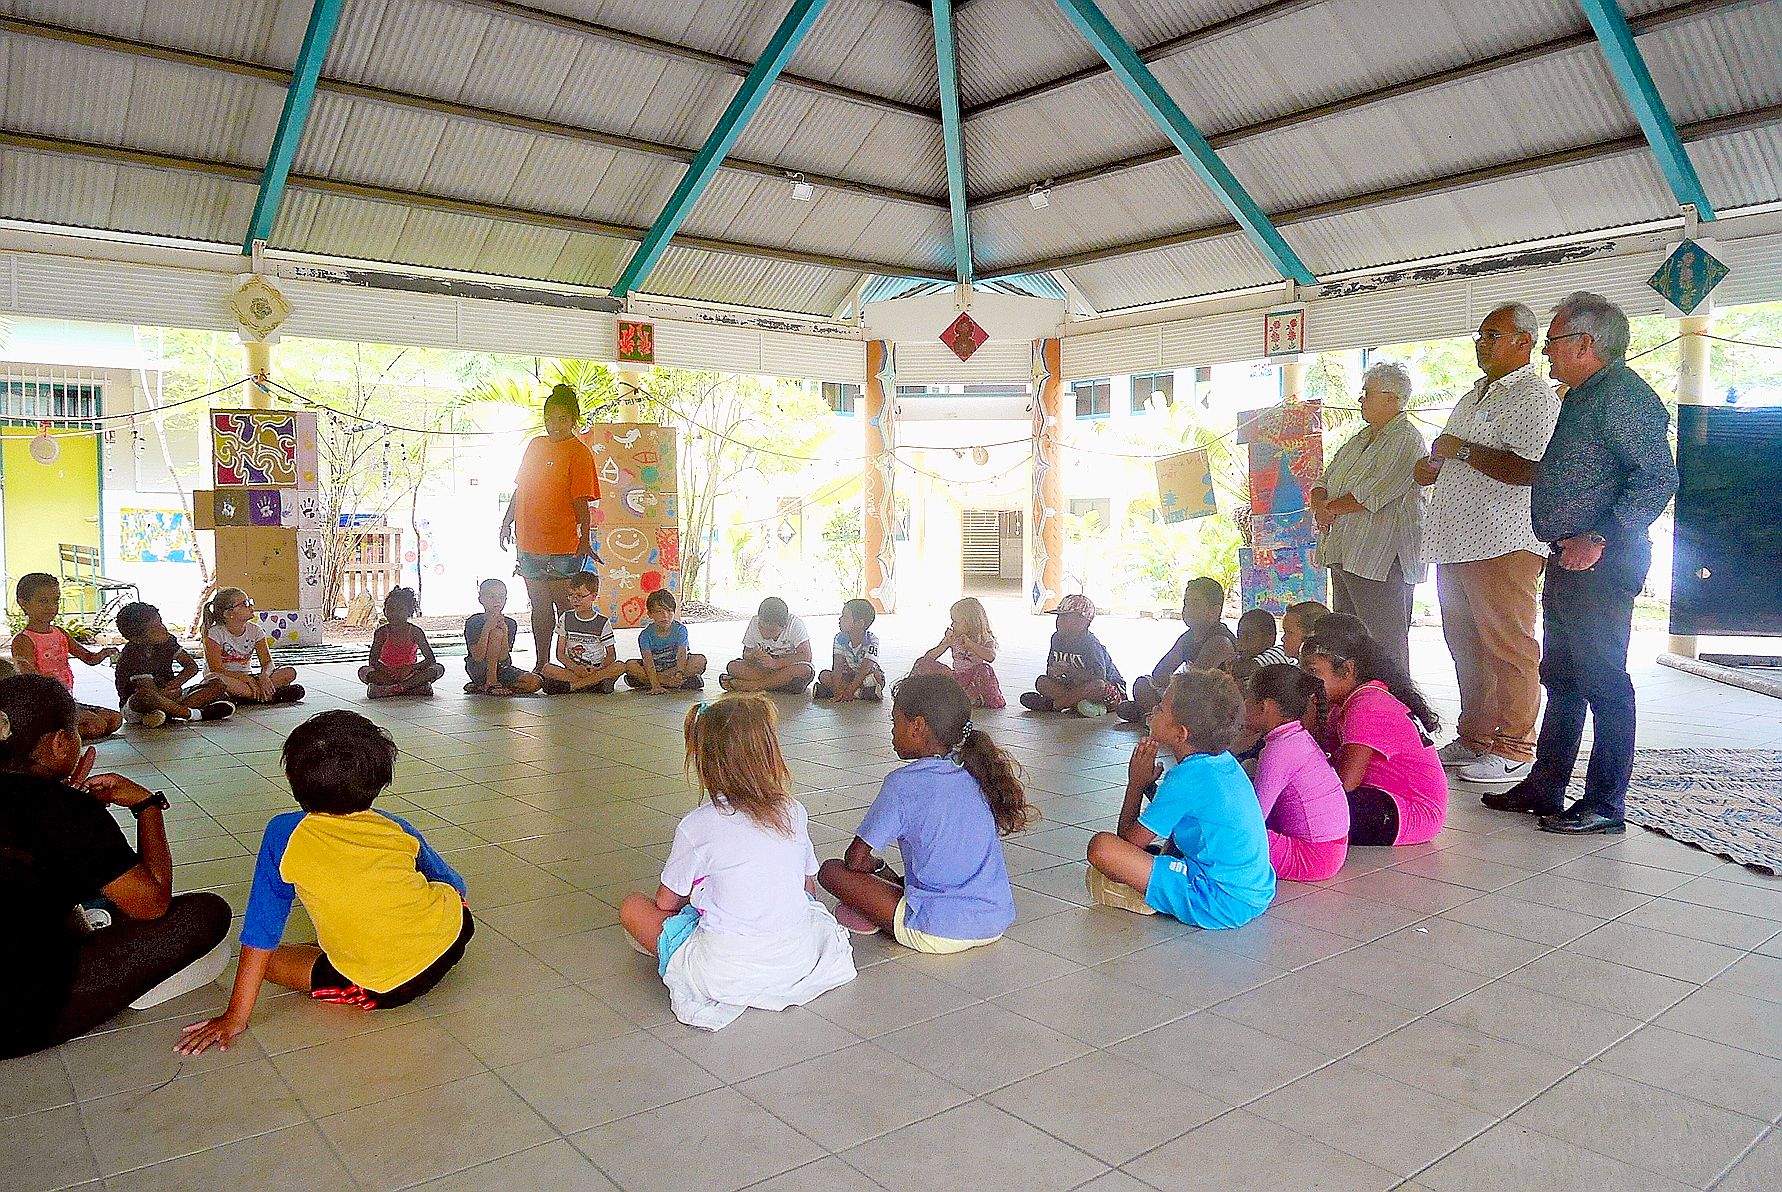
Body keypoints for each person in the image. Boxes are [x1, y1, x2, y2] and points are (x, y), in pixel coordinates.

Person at [177, 711, 473, 1054]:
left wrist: (235, 1017)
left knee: (269, 963)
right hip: (455, 934)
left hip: (386, 986)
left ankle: (351, 956)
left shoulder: (282, 834)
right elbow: (454, 886)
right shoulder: (394, 825)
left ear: (290, 777)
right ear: (380, 780)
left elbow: (262, 933)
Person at [1493, 292, 1679, 835]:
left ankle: (1605, 804)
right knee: (1563, 677)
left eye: (1552, 342)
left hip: (1600, 558)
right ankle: (1547, 785)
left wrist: (1599, 536)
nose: (1546, 353)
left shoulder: (1622, 395)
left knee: (1604, 682)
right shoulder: (1583, 394)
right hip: (1568, 556)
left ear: (1585, 344)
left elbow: (1657, 478)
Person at [0, 674, 231, 1058]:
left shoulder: (62, 808)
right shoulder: (66, 812)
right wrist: (146, 806)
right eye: (76, 730)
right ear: (60, 742)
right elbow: (152, 902)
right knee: (207, 914)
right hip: (20, 1016)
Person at [618, 696, 856, 1030]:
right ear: (771, 755)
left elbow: (665, 902)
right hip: (796, 958)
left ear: (705, 763)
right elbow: (807, 888)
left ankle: (676, 949)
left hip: (724, 970)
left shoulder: (698, 825)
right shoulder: (793, 810)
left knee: (633, 907)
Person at [1416, 303, 1563, 786]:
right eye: (1479, 335)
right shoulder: (1474, 395)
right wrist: (1437, 466)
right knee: (1465, 645)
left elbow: (1530, 468)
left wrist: (1459, 451)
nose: (1481, 343)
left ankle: (1517, 745)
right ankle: (1476, 735)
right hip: (1456, 542)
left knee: (1509, 646)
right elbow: (1454, 456)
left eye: (1492, 334)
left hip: (1503, 540)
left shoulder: (1535, 396)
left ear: (1524, 341)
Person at [818, 673, 1033, 951]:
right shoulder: (976, 770)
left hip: (938, 930)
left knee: (831, 872)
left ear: (917, 726)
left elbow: (856, 859)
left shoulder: (902, 784)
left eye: (895, 722)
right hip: (995, 921)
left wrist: (878, 869)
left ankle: (886, 915)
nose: (892, 732)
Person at [1084, 669, 1274, 928]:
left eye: (1161, 708)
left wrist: (1136, 785)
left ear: (1181, 734)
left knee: (1102, 848)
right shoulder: (1221, 761)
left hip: (1219, 900)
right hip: (1252, 892)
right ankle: (1160, 886)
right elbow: (1182, 818)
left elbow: (1129, 841)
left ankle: (1151, 897)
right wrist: (1151, 788)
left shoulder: (1188, 778)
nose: (1153, 709)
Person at [1311, 362, 1429, 676]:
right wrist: (1321, 503)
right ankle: (1355, 707)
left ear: (1392, 399)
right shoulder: (1360, 438)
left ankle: (1397, 713)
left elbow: (1372, 495)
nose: (1361, 400)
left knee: (1384, 644)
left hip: (1379, 557)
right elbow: (1324, 480)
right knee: (1346, 640)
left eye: (1368, 394)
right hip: (1344, 551)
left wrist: (1331, 508)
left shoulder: (1406, 439)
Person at [1299, 614, 1448, 847]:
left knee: (1303, 807)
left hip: (1409, 812)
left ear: (1347, 670)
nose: (1305, 683)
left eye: (1313, 673)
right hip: (1384, 799)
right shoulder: (1345, 702)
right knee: (1300, 800)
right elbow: (1317, 754)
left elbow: (1345, 783)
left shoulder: (1367, 704)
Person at [497, 383, 599, 669]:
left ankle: (571, 664)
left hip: (562, 542)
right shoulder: (535, 445)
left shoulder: (579, 452)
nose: (555, 425)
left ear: (573, 420)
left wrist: (585, 538)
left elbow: (582, 501)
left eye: (562, 419)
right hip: (529, 540)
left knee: (565, 606)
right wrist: (507, 521)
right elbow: (521, 488)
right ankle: (541, 664)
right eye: (550, 419)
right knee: (539, 607)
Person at [1245, 664, 1349, 882]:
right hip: (1330, 851)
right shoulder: (1296, 737)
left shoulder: (1278, 751)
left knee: (1222, 835)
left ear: (1264, 706)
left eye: (1247, 700)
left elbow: (1251, 820)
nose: (1244, 707)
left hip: (1312, 857)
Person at [12, 572, 123, 740]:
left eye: (55, 600)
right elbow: (30, 680)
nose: (51, 607)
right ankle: (49, 735)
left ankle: (60, 731)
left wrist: (104, 653)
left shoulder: (60, 633)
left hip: (66, 701)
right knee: (96, 726)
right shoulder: (23, 640)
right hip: (43, 706)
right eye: (43, 601)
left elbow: (88, 658)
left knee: (115, 719)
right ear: (23, 604)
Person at [1116, 577, 1235, 722]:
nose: (1187, 609)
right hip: (1187, 695)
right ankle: (1155, 716)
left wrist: (1173, 688)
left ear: (1214, 611)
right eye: (1186, 603)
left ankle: (1153, 717)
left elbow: (1193, 683)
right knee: (1142, 684)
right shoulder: (1188, 637)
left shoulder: (1220, 641)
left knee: (1187, 700)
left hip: (1212, 704)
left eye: (1195, 604)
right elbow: (1159, 674)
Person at [114, 601, 234, 726]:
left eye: (160, 622)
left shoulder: (167, 641)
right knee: (145, 696)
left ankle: (167, 714)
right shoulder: (133, 655)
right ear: (137, 638)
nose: (163, 628)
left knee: (218, 685)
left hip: (170, 696)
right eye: (155, 628)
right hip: (139, 706)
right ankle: (196, 714)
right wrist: (170, 693)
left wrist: (177, 682)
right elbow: (149, 690)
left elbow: (192, 666)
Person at [1021, 594, 1126, 717]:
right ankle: (1081, 705)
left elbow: (1100, 678)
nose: (1058, 621)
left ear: (1083, 622)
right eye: (1058, 617)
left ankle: (1055, 705)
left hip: (1107, 692)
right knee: (1042, 681)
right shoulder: (1056, 639)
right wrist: (1054, 672)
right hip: (1075, 688)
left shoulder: (1091, 644)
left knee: (1097, 686)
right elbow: (1049, 669)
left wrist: (1070, 671)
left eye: (1064, 618)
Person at [202, 587, 304, 705]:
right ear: (228, 613)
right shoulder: (214, 633)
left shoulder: (255, 631)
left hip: (248, 679)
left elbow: (267, 662)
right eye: (245, 604)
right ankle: (268, 695)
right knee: (215, 679)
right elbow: (216, 669)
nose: (250, 606)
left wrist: (264, 677)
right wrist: (247, 679)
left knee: (289, 672)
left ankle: (248, 696)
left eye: (250, 602)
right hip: (228, 679)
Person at [539, 572, 625, 694]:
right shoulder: (565, 618)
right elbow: (560, 653)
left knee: (620, 666)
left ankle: (574, 686)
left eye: (580, 595)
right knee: (547, 669)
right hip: (573, 670)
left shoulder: (602, 622)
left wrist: (596, 668)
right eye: (571, 595)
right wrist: (575, 668)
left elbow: (611, 655)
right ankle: (595, 684)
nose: (575, 600)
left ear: (594, 596)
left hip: (595, 669)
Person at [911, 596, 1006, 708]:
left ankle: (977, 698)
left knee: (985, 669)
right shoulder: (953, 637)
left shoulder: (985, 638)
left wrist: (971, 644)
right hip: (956, 677)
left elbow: (991, 657)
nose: (952, 625)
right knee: (922, 662)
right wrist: (946, 643)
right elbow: (929, 657)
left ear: (970, 623)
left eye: (955, 622)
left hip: (972, 680)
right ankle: (913, 691)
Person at [358, 587, 445, 699]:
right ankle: (412, 688)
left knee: (438, 669)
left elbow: (430, 659)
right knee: (364, 671)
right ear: (384, 611)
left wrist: (411, 668)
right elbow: (373, 660)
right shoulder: (381, 632)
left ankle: (395, 688)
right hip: (387, 674)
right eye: (390, 609)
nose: (394, 613)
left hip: (410, 673)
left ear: (409, 611)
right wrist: (388, 670)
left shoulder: (415, 632)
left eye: (399, 609)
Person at [719, 597, 815, 693]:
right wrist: (752, 655)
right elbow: (746, 654)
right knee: (733, 666)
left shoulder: (794, 624)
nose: (765, 634)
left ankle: (754, 685)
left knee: (804, 670)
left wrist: (775, 663)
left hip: (787, 668)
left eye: (771, 631)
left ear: (784, 626)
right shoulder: (754, 622)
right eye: (761, 627)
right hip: (765, 670)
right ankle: (778, 685)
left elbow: (806, 656)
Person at [463, 578, 541, 696]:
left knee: (535, 682)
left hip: (502, 668)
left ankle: (484, 687)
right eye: (492, 597)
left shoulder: (510, 623)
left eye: (501, 597)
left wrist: (504, 631)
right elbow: (478, 656)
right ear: (481, 599)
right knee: (496, 633)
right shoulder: (474, 622)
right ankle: (490, 682)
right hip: (479, 668)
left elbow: (503, 657)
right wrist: (487, 628)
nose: (497, 601)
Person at [625, 589, 707, 693]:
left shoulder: (680, 630)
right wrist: (656, 686)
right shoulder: (645, 635)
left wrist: (679, 673)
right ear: (650, 614)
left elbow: (682, 654)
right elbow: (648, 662)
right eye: (659, 611)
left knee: (699, 660)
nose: (665, 616)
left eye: (669, 611)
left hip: (676, 667)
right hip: (655, 667)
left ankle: (646, 681)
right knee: (630, 665)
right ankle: (669, 682)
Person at [816, 598, 884, 702]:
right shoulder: (839, 638)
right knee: (824, 675)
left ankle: (828, 691)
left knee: (876, 678)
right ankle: (863, 693)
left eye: (845, 617)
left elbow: (864, 670)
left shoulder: (872, 641)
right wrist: (837, 690)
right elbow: (837, 666)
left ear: (860, 623)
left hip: (867, 675)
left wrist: (850, 690)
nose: (840, 619)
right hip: (849, 675)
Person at [1229, 608, 1292, 683]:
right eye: (1239, 635)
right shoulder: (1244, 658)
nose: (1240, 642)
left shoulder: (1280, 653)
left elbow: (1244, 669)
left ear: (1269, 639)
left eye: (1249, 637)